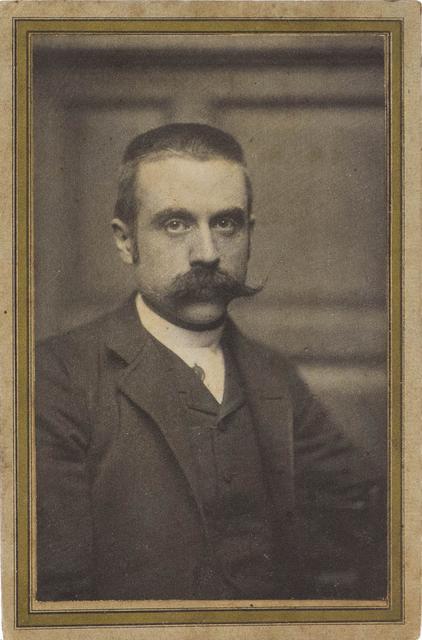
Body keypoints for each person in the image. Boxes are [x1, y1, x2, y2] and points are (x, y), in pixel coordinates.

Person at [36, 123, 386, 602]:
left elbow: (366, 524)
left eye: (226, 223)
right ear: (125, 240)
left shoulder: (273, 376)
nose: (207, 253)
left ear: (250, 232)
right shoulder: (54, 378)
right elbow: (51, 596)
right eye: (175, 223)